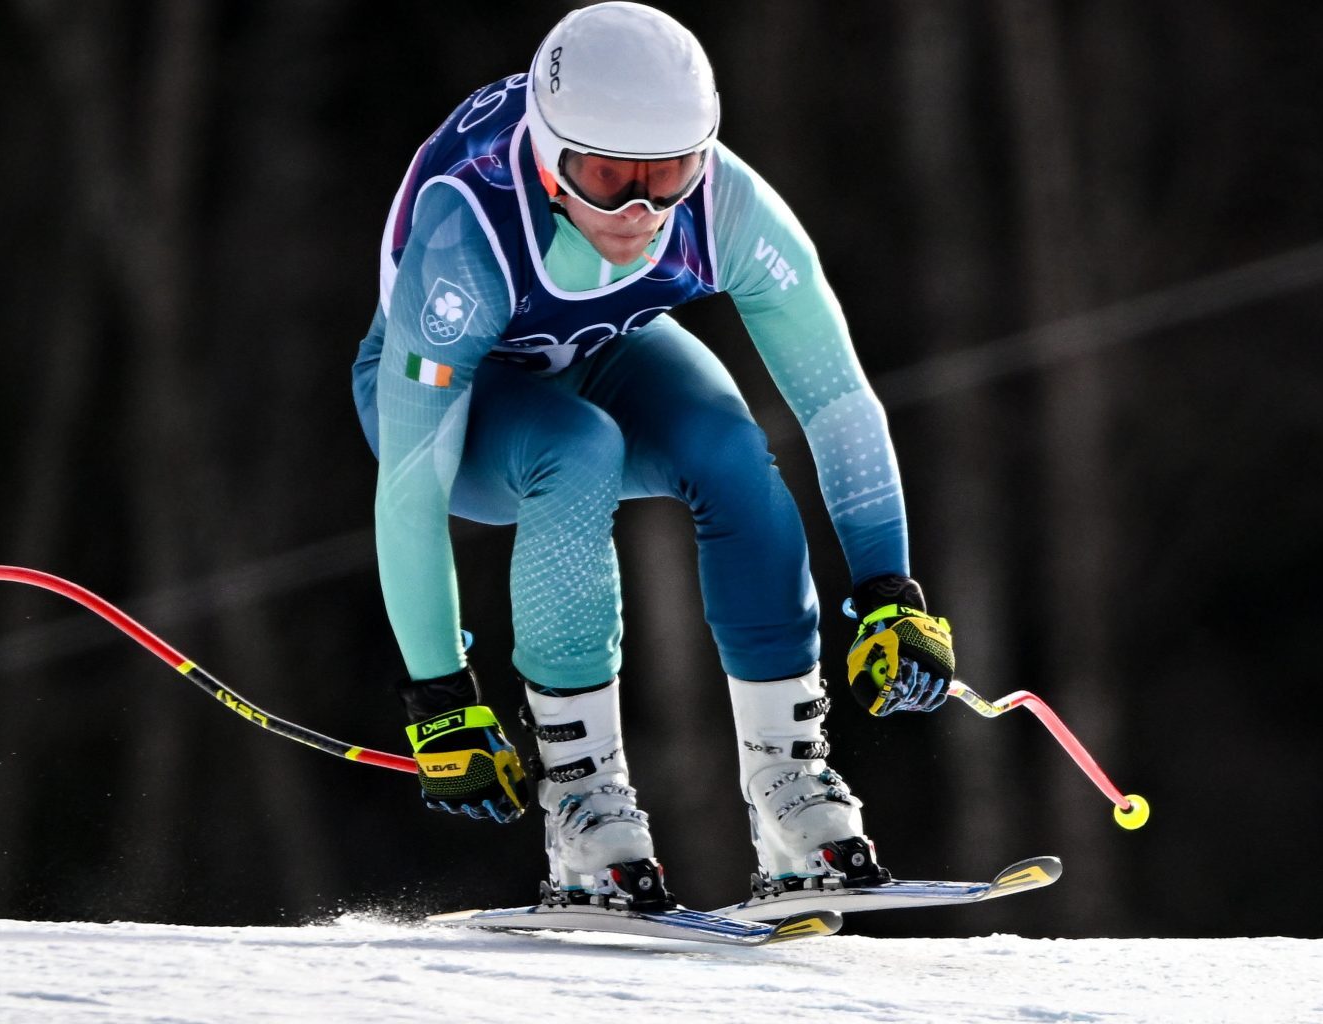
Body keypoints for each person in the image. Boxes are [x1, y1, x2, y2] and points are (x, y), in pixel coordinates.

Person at [352, 2, 955, 910]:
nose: (639, 213)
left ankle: (791, 789)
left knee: (729, 448)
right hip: (454, 406)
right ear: (551, 158)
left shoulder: (726, 204)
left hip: (599, 347)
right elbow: (408, 487)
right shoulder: (466, 232)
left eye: (667, 176)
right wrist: (439, 697)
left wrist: (889, 592)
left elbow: (836, 401)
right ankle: (583, 802)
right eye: (607, 180)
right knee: (577, 448)